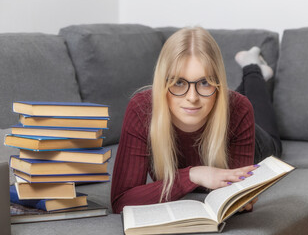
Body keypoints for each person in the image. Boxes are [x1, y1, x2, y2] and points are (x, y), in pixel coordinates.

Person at [111, 27, 281, 214]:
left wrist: (240, 199)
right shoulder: (142, 110)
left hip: (257, 141)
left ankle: (252, 68)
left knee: (273, 141)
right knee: (229, 100)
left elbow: (234, 193)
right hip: (218, 106)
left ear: (218, 83)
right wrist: (193, 175)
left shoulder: (239, 110)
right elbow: (122, 201)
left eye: (205, 82)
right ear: (162, 82)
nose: (192, 97)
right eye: (179, 82)